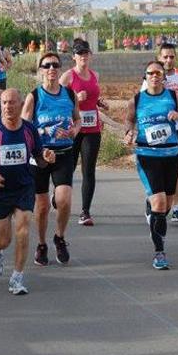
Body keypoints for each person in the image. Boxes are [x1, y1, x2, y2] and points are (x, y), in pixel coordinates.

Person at [0, 89, 57, 295]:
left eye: (12, 102)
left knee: (23, 230)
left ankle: (17, 278)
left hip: (23, 187)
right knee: (4, 239)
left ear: (21, 105)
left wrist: (47, 158)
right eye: (4, 103)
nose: (8, 106)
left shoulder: (29, 130)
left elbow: (39, 159)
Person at [124, 61, 178, 269]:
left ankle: (150, 207)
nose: (154, 76)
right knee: (160, 203)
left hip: (170, 155)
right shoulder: (137, 99)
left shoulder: (173, 97)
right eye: (150, 73)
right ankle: (159, 252)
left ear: (163, 77)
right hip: (146, 154)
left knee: (166, 205)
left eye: (158, 73)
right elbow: (129, 121)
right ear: (145, 76)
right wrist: (129, 133)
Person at [21, 52, 81, 266]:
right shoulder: (34, 97)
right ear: (41, 70)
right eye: (47, 66)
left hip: (64, 153)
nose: (52, 69)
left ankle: (60, 237)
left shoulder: (69, 94)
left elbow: (78, 119)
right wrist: (44, 131)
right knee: (43, 206)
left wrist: (73, 131)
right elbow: (24, 129)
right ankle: (42, 243)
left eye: (55, 65)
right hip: (40, 156)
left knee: (64, 200)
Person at [140, 43, 178, 223]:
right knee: (158, 171)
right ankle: (153, 199)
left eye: (172, 57)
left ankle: (177, 207)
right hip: (156, 131)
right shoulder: (151, 77)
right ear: (159, 57)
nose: (169, 60)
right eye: (165, 57)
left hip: (177, 130)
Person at [60, 40, 107, 226]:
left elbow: (93, 98)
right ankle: (59, 197)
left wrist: (100, 103)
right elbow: (59, 102)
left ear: (90, 56)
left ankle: (85, 211)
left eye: (86, 53)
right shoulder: (67, 77)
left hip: (92, 128)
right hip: (73, 129)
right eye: (80, 54)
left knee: (89, 170)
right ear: (74, 57)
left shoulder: (95, 75)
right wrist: (75, 100)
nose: (83, 57)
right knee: (68, 168)